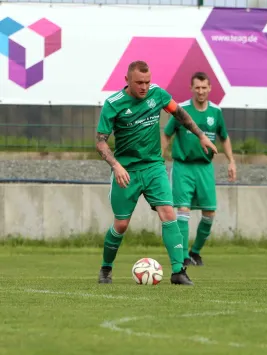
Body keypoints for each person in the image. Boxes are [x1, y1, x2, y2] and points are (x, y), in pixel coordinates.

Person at [95, 60, 218, 286]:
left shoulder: (157, 94)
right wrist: (116, 165)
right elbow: (101, 142)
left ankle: (179, 271)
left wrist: (201, 135)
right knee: (121, 224)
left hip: (154, 167)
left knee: (168, 213)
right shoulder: (113, 104)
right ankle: (106, 268)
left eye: (147, 82)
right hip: (127, 171)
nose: (144, 87)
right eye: (139, 82)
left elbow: (180, 113)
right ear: (127, 81)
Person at [162, 72, 236, 267]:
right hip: (183, 167)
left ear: (210, 89)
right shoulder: (181, 110)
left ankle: (195, 252)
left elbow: (224, 137)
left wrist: (231, 161)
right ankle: (184, 255)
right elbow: (167, 134)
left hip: (205, 168)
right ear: (191, 88)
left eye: (204, 87)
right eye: (197, 87)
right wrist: (159, 157)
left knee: (209, 213)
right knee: (183, 210)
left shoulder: (216, 112)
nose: (201, 91)